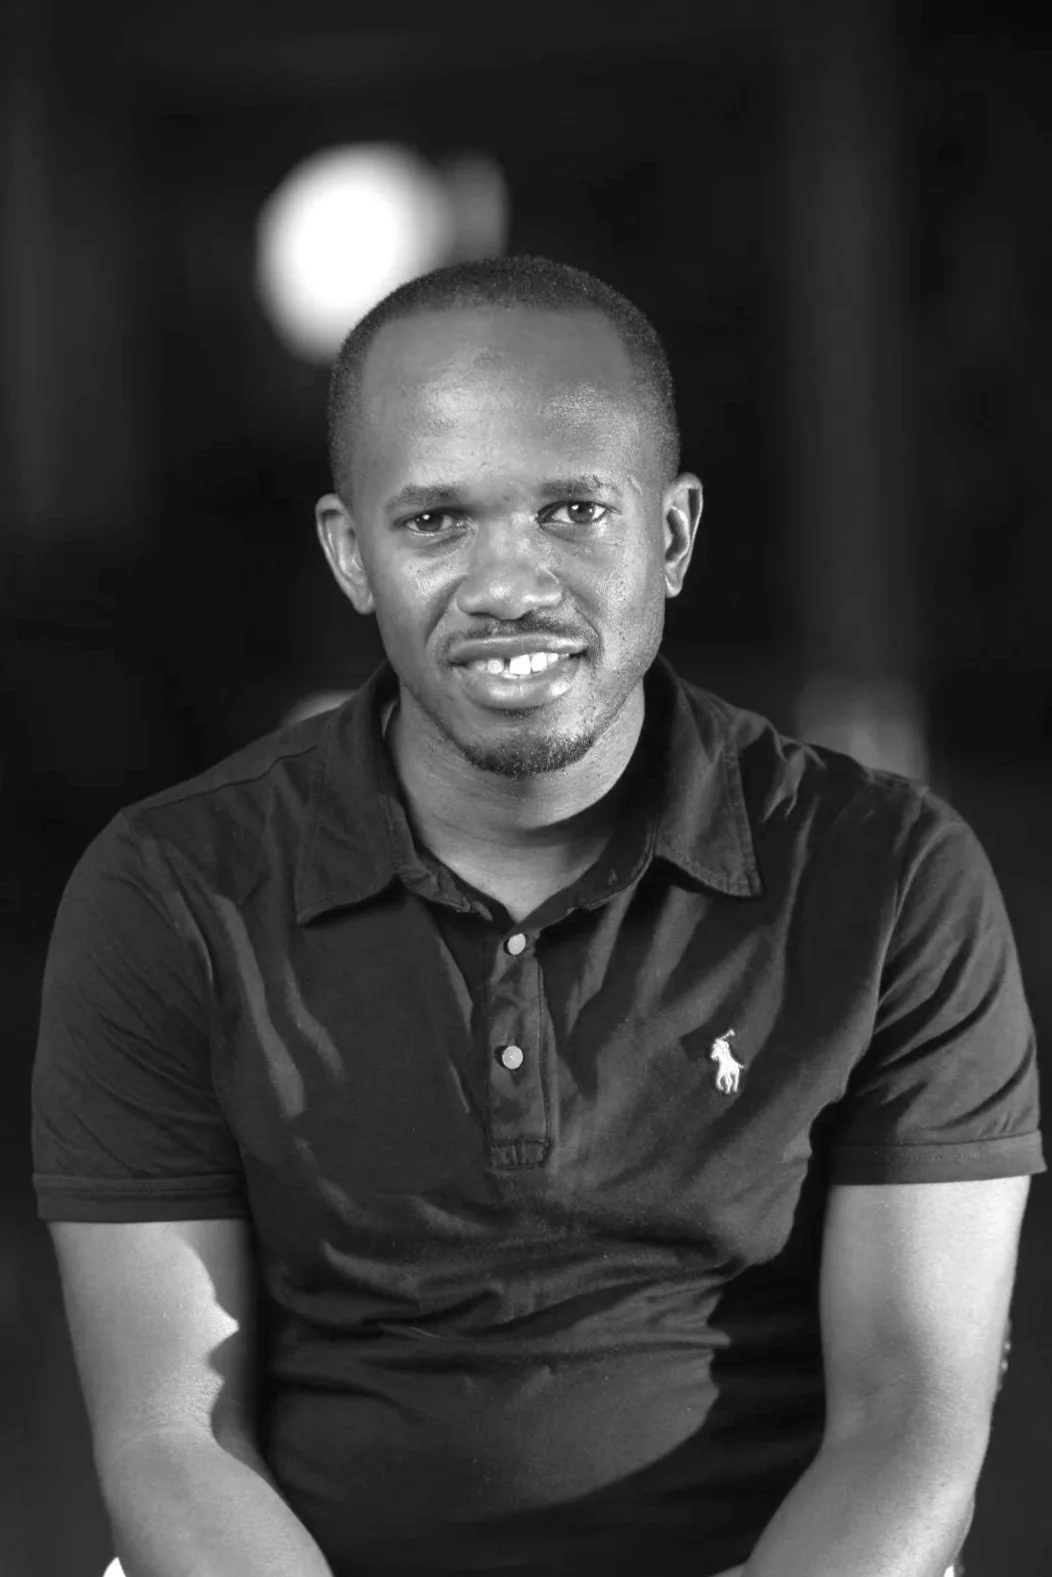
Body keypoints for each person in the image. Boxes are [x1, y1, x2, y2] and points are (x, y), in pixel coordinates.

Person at [32, 256, 1044, 1577]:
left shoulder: (890, 875)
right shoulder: (170, 889)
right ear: (353, 556)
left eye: (573, 510)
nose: (511, 584)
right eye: (437, 524)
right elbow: (171, 1435)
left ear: (669, 536)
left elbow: (910, 1420)